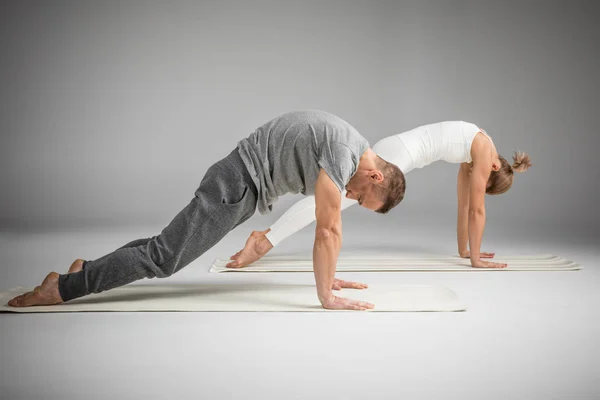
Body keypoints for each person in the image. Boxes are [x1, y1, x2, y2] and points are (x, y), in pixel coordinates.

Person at [8, 110, 406, 310]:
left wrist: (329, 274)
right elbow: (327, 229)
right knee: (164, 259)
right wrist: (325, 293)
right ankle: (61, 287)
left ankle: (87, 267)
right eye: (360, 197)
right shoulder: (343, 154)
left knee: (164, 245)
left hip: (237, 183)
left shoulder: (349, 143)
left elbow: (328, 226)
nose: (351, 198)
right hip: (235, 185)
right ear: (374, 178)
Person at [228, 121, 531, 270]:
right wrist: (477, 260)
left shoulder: (476, 150)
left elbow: (465, 205)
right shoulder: (482, 149)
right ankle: (265, 239)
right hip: (400, 155)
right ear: (494, 166)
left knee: (334, 195)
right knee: (333, 198)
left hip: (399, 150)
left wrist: (466, 252)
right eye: (485, 183)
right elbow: (477, 210)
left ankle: (266, 237)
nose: (479, 184)